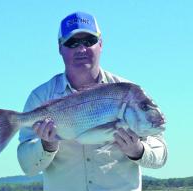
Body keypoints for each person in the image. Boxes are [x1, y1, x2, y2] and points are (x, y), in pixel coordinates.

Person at [17, 12, 167, 191]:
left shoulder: (130, 92)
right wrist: (46, 145)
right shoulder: (40, 97)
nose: (81, 49)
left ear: (101, 44)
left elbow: (161, 155)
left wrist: (137, 151)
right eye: (72, 43)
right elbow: (28, 167)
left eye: (89, 41)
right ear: (60, 48)